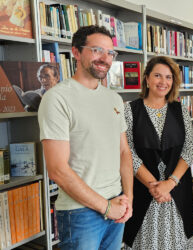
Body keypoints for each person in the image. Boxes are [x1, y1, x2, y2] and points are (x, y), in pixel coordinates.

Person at [38, 25, 133, 250]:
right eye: (97, 50)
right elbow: (58, 169)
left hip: (117, 205)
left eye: (110, 53)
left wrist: (128, 198)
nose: (105, 58)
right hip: (80, 213)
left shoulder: (114, 99)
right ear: (76, 52)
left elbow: (124, 152)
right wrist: (106, 207)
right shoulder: (57, 99)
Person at [122, 56, 193, 249]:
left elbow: (189, 148)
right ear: (146, 79)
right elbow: (127, 151)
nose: (163, 82)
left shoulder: (181, 110)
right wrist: (155, 187)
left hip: (176, 193)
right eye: (157, 75)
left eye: (168, 77)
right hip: (144, 193)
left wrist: (170, 183)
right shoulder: (129, 110)